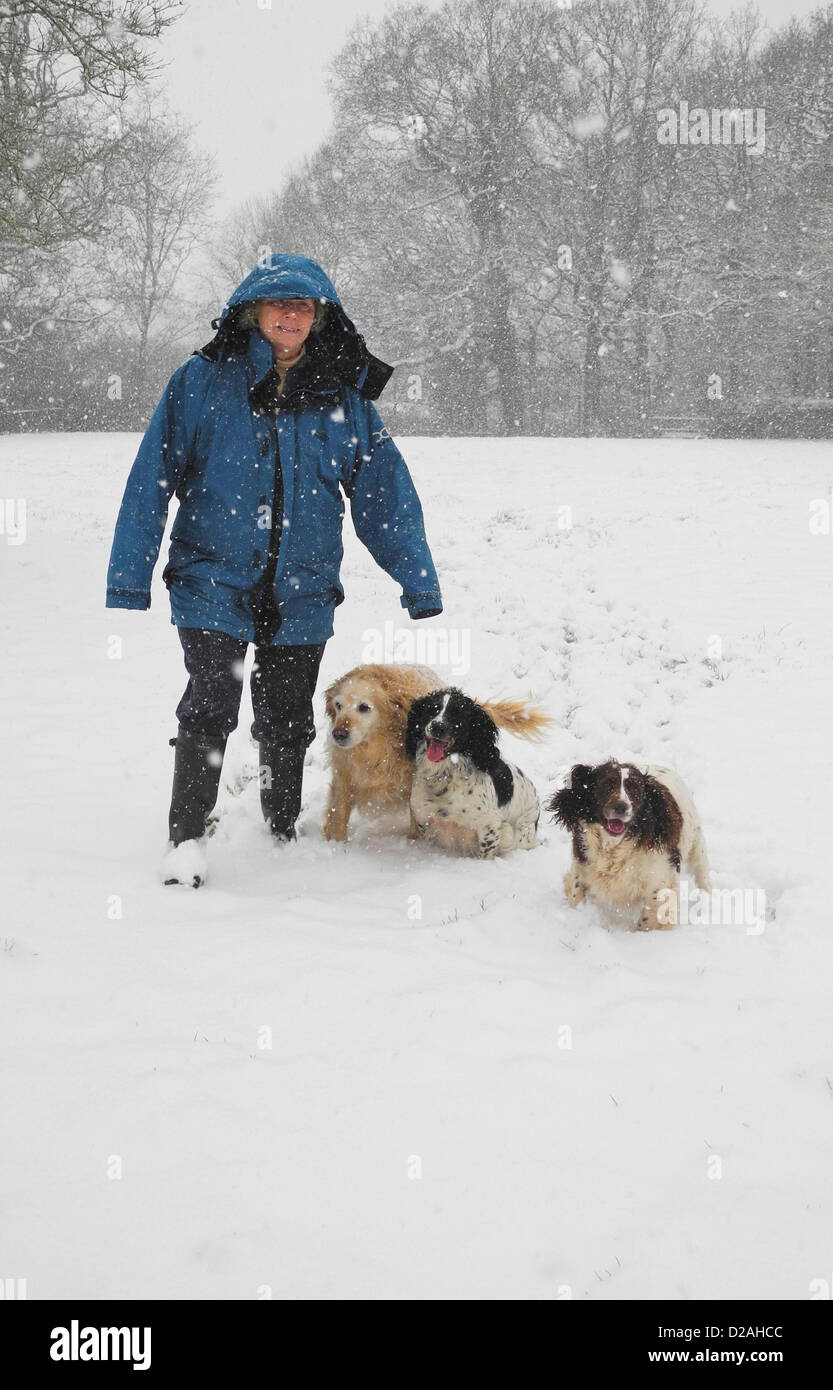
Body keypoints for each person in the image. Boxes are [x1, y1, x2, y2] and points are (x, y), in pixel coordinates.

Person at [106, 253, 442, 886]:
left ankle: (282, 830)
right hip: (212, 579)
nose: (290, 315)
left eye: (304, 306)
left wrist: (417, 578)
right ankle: (186, 840)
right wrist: (130, 575)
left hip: (303, 588)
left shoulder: (343, 396)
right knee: (209, 702)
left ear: (319, 319)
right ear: (251, 312)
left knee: (287, 716)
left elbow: (384, 495)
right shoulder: (200, 382)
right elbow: (151, 478)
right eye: (278, 304)